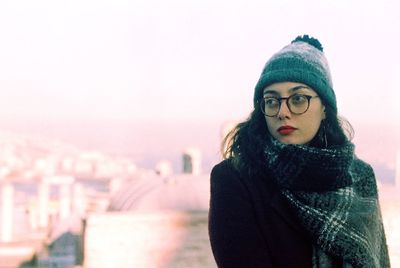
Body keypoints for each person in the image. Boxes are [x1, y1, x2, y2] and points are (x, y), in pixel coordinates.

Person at [208, 35, 390, 268]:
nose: (283, 112)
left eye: (298, 99)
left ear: (325, 107)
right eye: (272, 101)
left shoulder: (360, 177)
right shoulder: (235, 178)